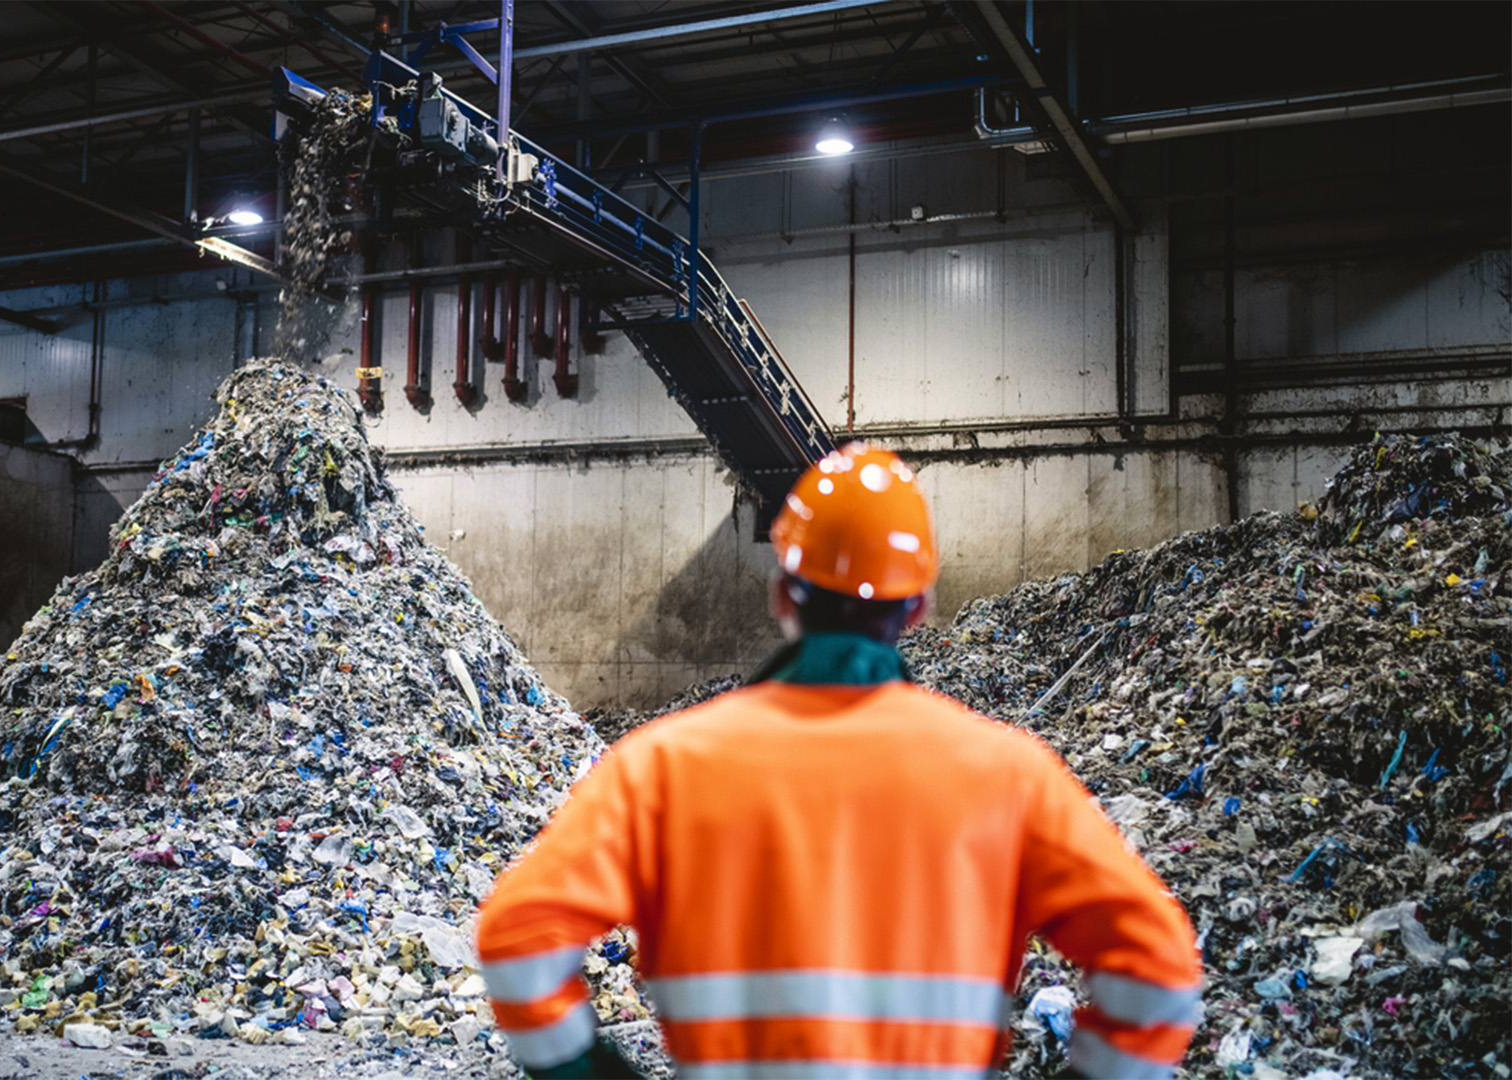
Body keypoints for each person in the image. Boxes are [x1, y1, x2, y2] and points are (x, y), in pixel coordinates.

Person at [475, 443, 1204, 1079]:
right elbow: (1160, 976)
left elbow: (517, 943)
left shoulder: (663, 766)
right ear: (915, 610)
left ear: (782, 593)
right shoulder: (1008, 774)